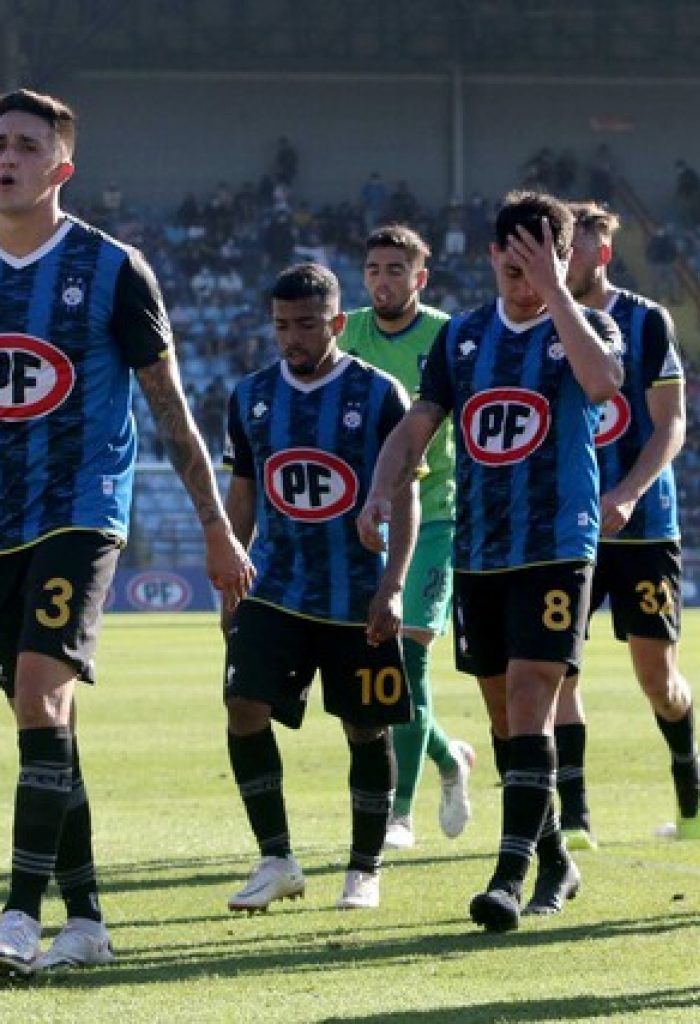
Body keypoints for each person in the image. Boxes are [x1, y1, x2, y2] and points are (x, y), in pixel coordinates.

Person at [0, 88, 254, 975]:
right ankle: (91, 919)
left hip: (78, 512)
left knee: (40, 693)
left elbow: (173, 409)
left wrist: (218, 531)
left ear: (61, 168)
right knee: (47, 725)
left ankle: (17, 918)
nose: (6, 156)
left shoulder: (113, 269)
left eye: (26, 145)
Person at [357, 191, 623, 933]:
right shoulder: (464, 339)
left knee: (535, 697)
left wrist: (557, 292)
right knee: (506, 718)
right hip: (480, 548)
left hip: (557, 546)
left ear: (564, 259)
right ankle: (557, 859)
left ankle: (508, 877)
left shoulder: (588, 327)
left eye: (538, 257)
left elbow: (603, 384)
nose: (521, 271)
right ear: (491, 257)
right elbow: (417, 425)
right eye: (512, 257)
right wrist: (381, 487)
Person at [222, 262, 416, 916]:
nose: (292, 338)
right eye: (281, 325)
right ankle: (276, 858)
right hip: (274, 587)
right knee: (243, 707)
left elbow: (406, 496)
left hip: (354, 592)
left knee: (365, 728)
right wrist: (230, 569)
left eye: (306, 325)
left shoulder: (378, 394)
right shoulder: (249, 395)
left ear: (336, 322)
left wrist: (393, 585)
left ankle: (365, 868)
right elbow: (244, 493)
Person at [553, 201, 700, 851]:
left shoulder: (646, 322)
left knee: (659, 682)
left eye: (577, 250)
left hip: (645, 526)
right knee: (557, 669)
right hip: (567, 530)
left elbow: (671, 423)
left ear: (602, 254)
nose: (566, 262)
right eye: (559, 249)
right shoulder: (542, 324)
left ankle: (688, 770)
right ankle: (575, 817)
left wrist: (629, 489)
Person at [338, 224, 474, 851]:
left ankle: (399, 812)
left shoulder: (449, 336)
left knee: (410, 656)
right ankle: (449, 759)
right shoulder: (349, 333)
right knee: (369, 665)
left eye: (397, 270)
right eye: (374, 269)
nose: (383, 280)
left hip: (436, 513)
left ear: (421, 278)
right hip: (365, 514)